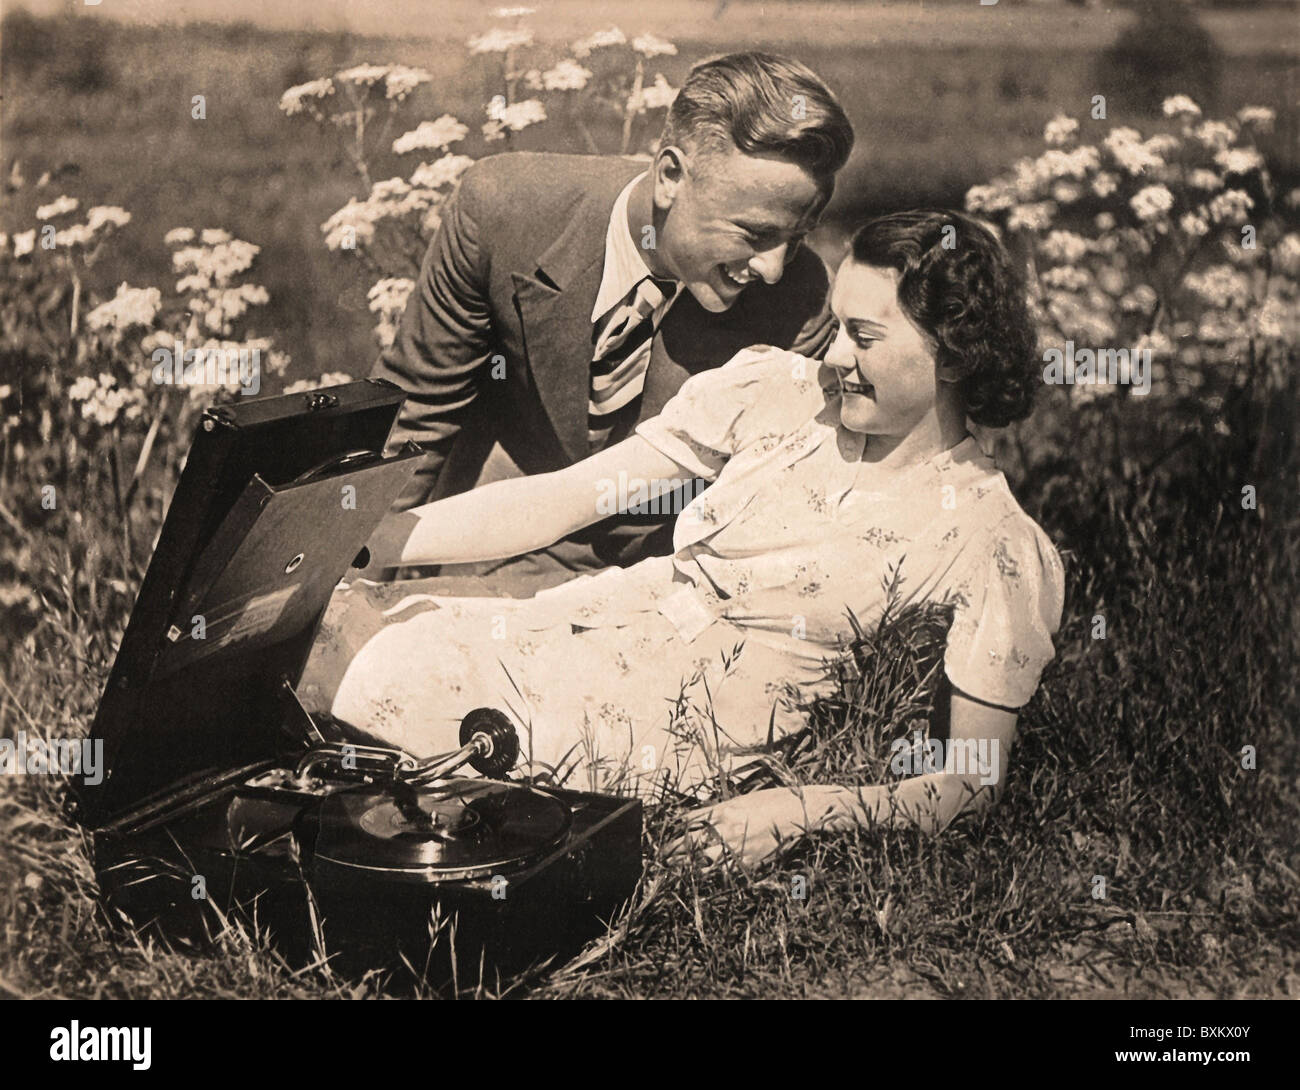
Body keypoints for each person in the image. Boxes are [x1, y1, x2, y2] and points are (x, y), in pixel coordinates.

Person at [301, 210, 1065, 867]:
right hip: (575, 627)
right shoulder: (775, 393)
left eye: (863, 337)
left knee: (363, 675)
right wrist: (362, 544)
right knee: (323, 614)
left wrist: (797, 812)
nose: (833, 357)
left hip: (658, 723)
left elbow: (971, 785)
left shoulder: (989, 537)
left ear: (955, 354)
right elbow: (563, 500)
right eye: (836, 326)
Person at [371, 52, 854, 582]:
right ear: (671, 176)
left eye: (797, 237)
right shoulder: (502, 211)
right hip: (481, 542)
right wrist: (350, 569)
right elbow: (415, 411)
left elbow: (765, 505)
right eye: (756, 234)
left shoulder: (800, 299)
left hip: (659, 579)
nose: (775, 268)